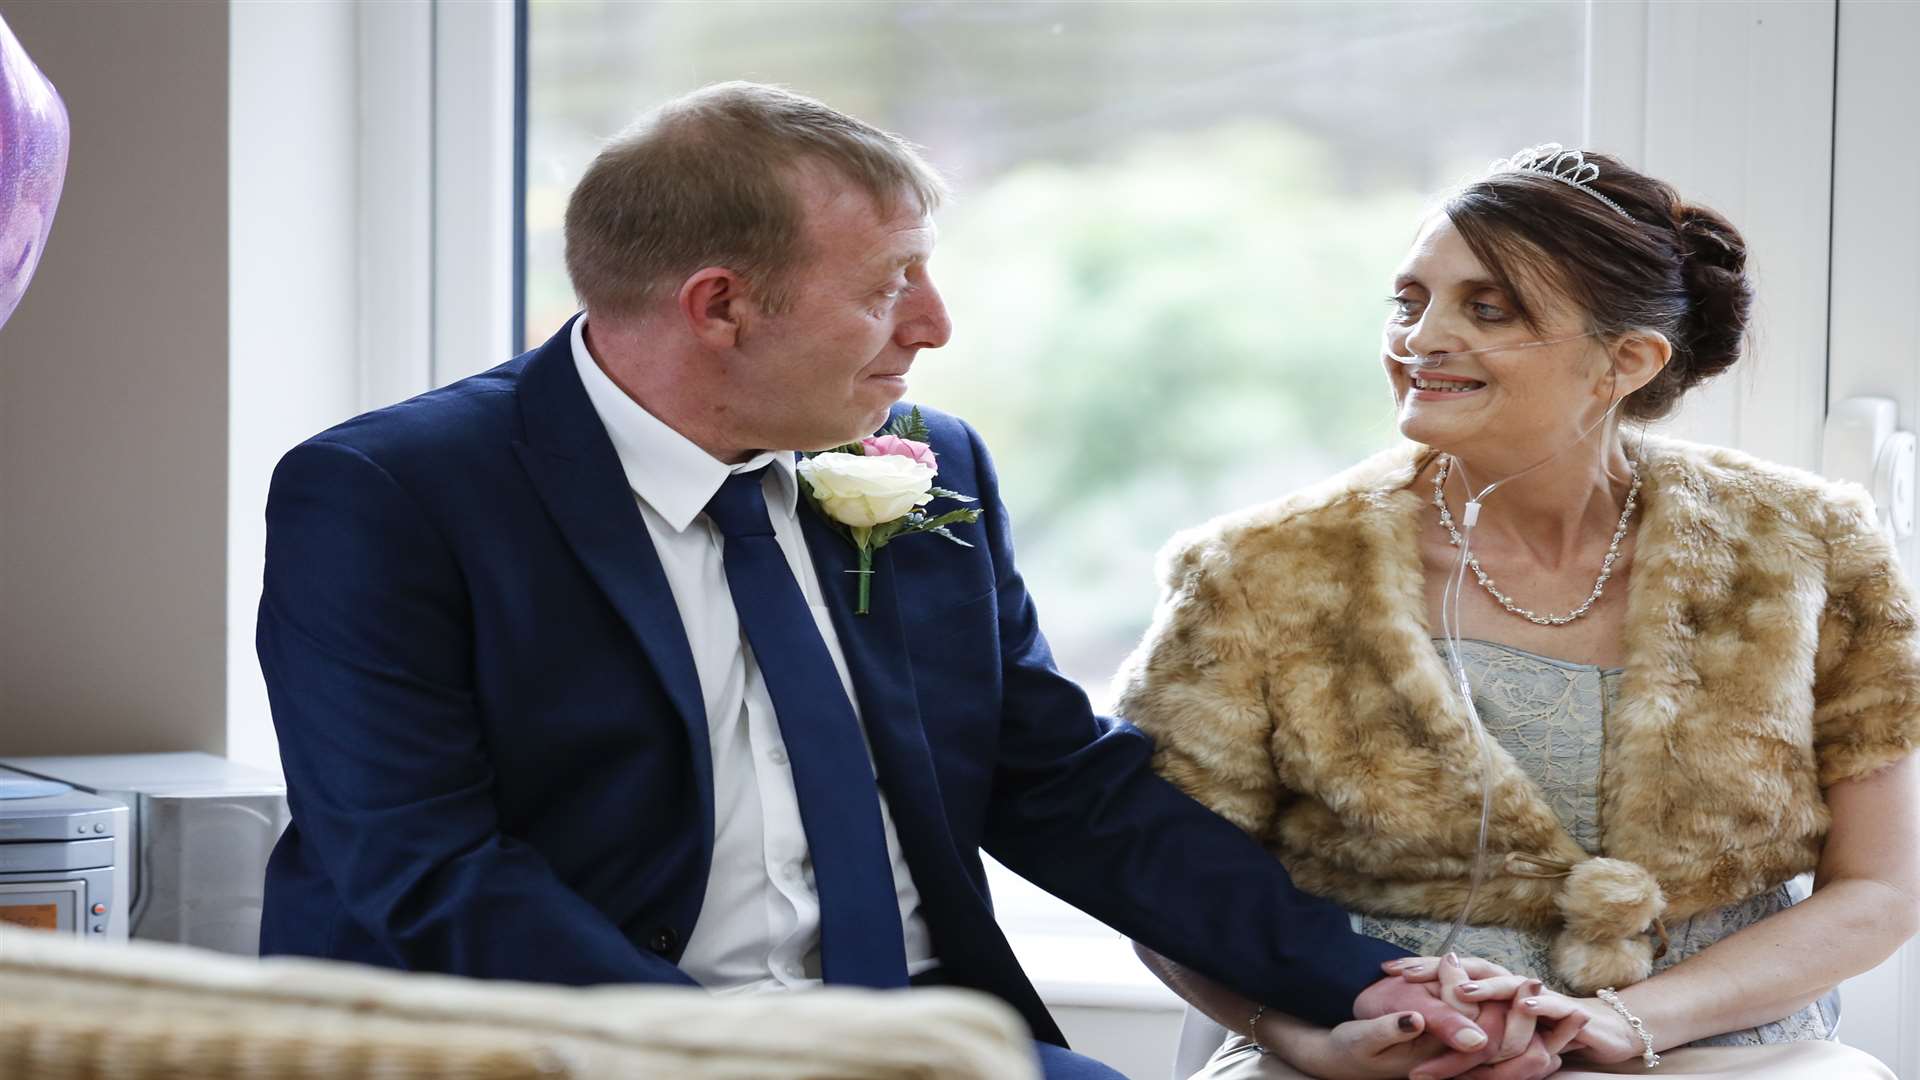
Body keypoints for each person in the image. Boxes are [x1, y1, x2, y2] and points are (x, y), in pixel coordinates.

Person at [253, 82, 1546, 1080]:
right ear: (720, 306)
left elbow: (1055, 783)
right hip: (570, 1052)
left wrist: (1357, 979)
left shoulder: (925, 463)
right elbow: (427, 871)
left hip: (933, 1050)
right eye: (889, 286)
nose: (935, 326)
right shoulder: (390, 497)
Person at [1118, 144, 1920, 1079]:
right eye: (1409, 301)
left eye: (1486, 308)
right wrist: (1307, 1040)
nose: (1420, 339)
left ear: (1625, 360)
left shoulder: (1809, 544)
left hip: (1713, 1048)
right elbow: (1165, 888)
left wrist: (1630, 1020)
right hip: (1371, 1051)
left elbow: (1880, 887)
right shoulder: (1254, 572)